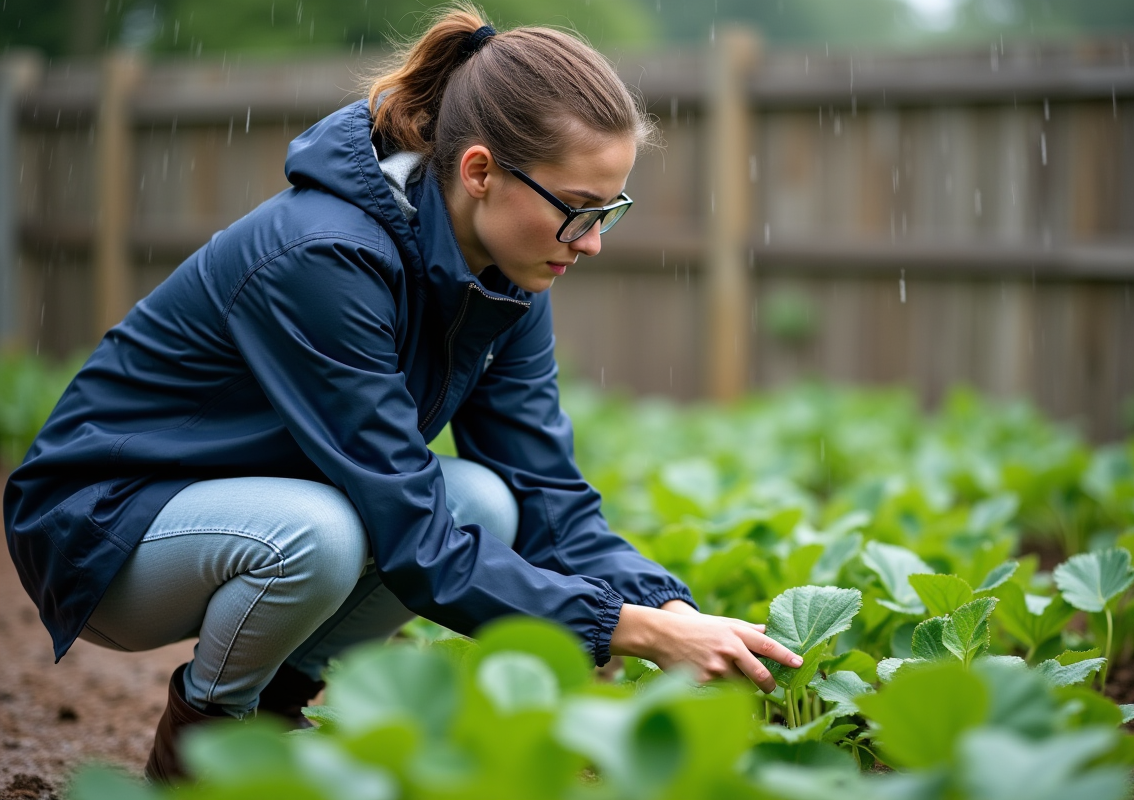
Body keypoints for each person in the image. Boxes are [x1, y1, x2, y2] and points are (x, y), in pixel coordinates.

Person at [2, 4, 801, 783]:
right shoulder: (323, 259)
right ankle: (197, 763)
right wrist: (627, 630)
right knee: (319, 536)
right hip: (102, 522)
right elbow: (413, 536)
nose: (590, 242)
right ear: (479, 171)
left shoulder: (511, 276)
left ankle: (267, 734)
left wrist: (672, 610)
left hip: (243, 507)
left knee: (487, 499)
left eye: (609, 212)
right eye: (577, 211)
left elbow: (545, 491)